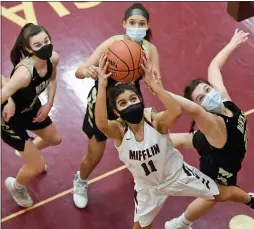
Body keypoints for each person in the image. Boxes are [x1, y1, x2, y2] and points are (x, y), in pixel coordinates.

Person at [94, 53, 254, 229]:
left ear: (141, 100)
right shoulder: (119, 130)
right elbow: (101, 123)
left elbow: (176, 111)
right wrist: (102, 85)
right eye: (123, 103)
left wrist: (155, 85)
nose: (130, 104)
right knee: (140, 227)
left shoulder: (155, 121)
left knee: (222, 193)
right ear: (117, 112)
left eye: (133, 99)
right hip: (147, 188)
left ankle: (252, 202)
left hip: (178, 175)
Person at [164, 29, 254, 228]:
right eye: (201, 99)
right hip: (218, 163)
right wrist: (156, 88)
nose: (208, 96)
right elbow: (191, 109)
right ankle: (178, 224)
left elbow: (214, 66)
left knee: (186, 140)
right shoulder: (212, 122)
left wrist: (233, 43)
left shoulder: (224, 99)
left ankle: (147, 141)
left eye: (208, 90)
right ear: (200, 106)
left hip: (219, 145)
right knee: (214, 195)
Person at [73, 3, 160, 208]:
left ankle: (141, 176)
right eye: (132, 23)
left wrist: (152, 79)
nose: (136, 27)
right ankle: (81, 180)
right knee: (95, 154)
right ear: (124, 23)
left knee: (140, 147)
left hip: (130, 103)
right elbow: (79, 70)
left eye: (141, 23)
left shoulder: (150, 50)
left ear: (147, 26)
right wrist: (88, 71)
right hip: (102, 104)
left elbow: (156, 86)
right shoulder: (113, 44)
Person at [1, 23, 62, 208]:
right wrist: (9, 101)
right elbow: (5, 91)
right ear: (28, 49)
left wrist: (49, 103)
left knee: (55, 139)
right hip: (9, 119)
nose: (45, 46)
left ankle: (26, 150)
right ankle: (16, 186)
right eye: (37, 45)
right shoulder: (24, 73)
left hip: (31, 108)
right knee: (36, 166)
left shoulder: (53, 59)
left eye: (46, 41)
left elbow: (52, 80)